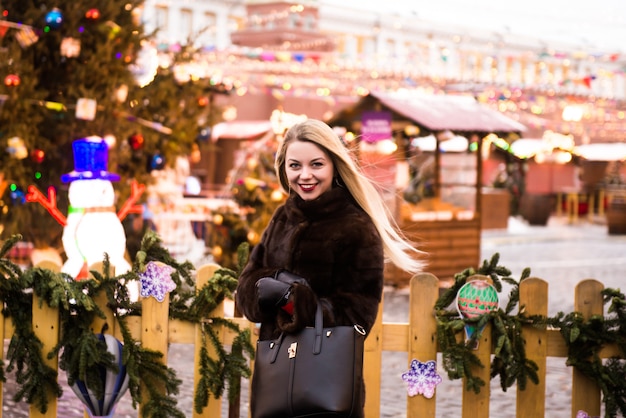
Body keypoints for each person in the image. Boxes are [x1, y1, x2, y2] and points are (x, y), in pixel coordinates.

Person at [235, 118, 424, 417]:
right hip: (277, 385)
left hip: (328, 391)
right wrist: (269, 284)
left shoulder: (356, 227)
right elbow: (245, 290)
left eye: (316, 164)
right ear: (284, 168)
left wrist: (296, 302)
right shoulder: (282, 218)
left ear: (334, 165)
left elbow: (358, 314)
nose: (305, 175)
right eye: (295, 165)